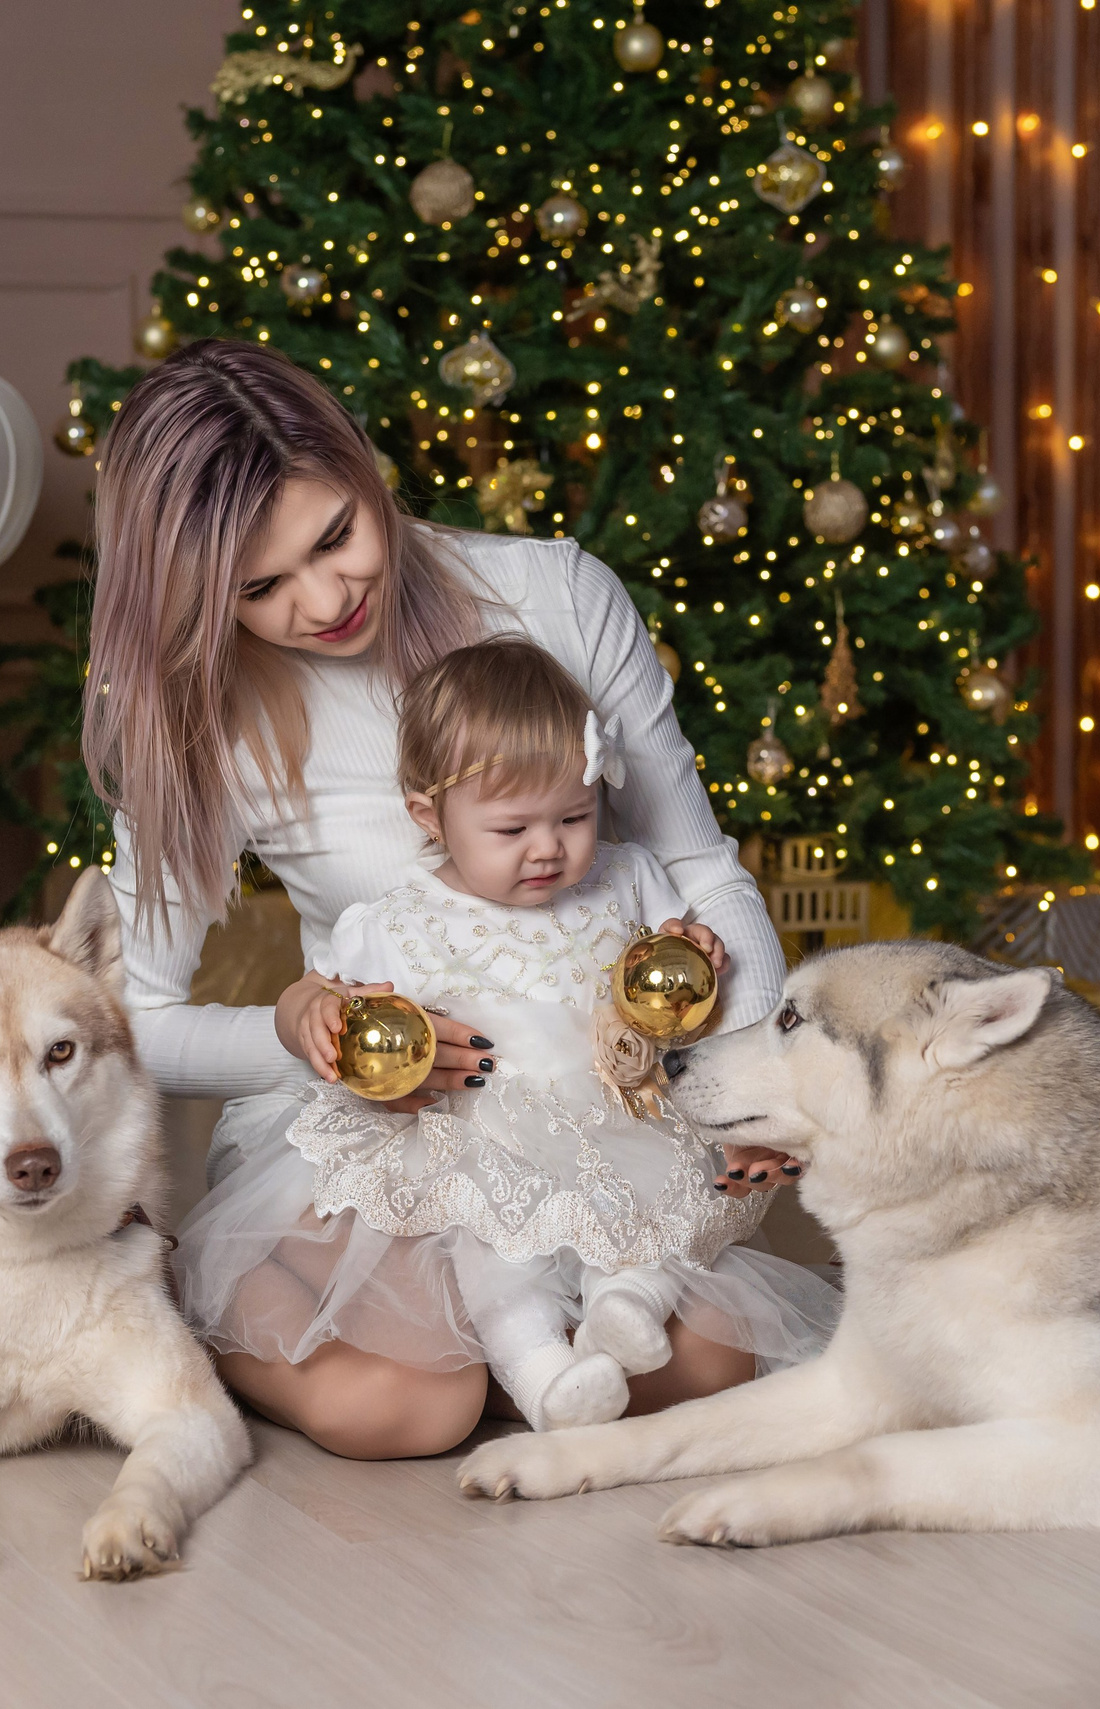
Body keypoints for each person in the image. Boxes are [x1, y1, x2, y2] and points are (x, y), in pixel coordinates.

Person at [85, 339, 813, 1459]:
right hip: (382, 1134)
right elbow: (132, 1017)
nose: (324, 598)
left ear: (361, 467)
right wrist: (308, 1035)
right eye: (260, 586)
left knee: (706, 1368)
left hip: (590, 1115)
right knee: (408, 1409)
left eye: (336, 536)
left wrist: (763, 1081)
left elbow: (702, 869)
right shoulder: (203, 715)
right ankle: (185, 1291)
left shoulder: (549, 592)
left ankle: (525, 1345)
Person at [179, 635, 836, 1435]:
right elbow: (324, 995)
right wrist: (302, 1015)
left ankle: (622, 1310)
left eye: (573, 815)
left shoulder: (625, 876)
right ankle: (539, 1373)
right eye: (510, 828)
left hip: (616, 1141)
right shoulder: (396, 920)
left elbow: (679, 959)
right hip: (468, 1147)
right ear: (429, 815)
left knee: (669, 1236)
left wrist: (692, 954)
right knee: (492, 1246)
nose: (548, 848)